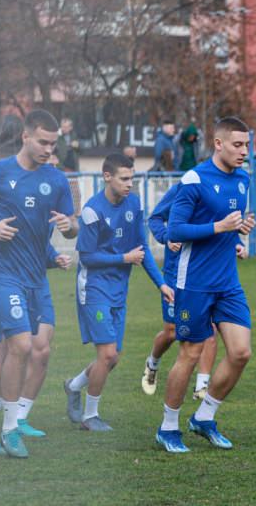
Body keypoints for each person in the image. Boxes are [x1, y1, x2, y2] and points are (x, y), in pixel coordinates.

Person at [0, 109, 79, 458]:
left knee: (6, 352)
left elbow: (74, 225)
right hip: (2, 276)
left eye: (54, 143)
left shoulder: (57, 179)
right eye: (43, 142)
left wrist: (68, 227)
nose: (48, 149)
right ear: (26, 137)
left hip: (36, 280)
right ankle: (11, 428)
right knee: (20, 346)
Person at [154, 117, 256, 454]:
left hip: (227, 281)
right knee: (191, 353)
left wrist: (239, 233)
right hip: (193, 282)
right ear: (218, 143)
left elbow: (229, 226)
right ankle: (168, 427)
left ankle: (204, 417)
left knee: (241, 352)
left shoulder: (243, 179)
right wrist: (218, 227)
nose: (244, 151)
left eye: (247, 144)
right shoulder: (194, 179)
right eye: (237, 144)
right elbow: (175, 230)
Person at [63, 154, 173, 431]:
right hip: (94, 288)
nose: (130, 184)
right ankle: (89, 418)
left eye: (132, 178)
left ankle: (73, 386)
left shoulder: (134, 203)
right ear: (107, 177)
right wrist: (124, 258)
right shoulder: (91, 210)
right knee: (107, 355)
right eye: (125, 178)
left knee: (113, 359)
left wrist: (160, 283)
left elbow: (141, 247)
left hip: (118, 291)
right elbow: (86, 258)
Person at [0, 205, 72, 441]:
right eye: (50, 165)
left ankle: (19, 418)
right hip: (5, 282)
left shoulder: (49, 192)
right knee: (6, 352)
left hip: (37, 283)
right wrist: (9, 261)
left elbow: (37, 242)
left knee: (42, 349)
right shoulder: (8, 190)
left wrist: (54, 257)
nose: (52, 170)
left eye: (55, 166)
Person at [142, 184, 247, 399]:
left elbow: (223, 226)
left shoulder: (223, 191)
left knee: (211, 328)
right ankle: (152, 364)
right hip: (177, 274)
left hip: (207, 275)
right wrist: (166, 237)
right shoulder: (186, 187)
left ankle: (201, 385)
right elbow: (155, 219)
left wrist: (237, 242)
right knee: (171, 331)